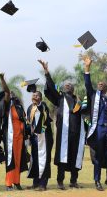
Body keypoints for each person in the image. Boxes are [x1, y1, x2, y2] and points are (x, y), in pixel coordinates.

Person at [39, 59, 86, 190]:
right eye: (66, 85)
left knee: (75, 156)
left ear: (73, 89)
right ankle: (60, 181)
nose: (67, 86)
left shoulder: (78, 101)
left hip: (76, 134)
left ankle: (73, 181)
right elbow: (52, 86)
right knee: (62, 157)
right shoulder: (60, 98)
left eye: (70, 85)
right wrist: (46, 72)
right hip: (64, 133)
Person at [83, 57, 107, 191]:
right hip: (98, 130)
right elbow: (87, 84)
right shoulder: (94, 96)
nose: (99, 84)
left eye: (102, 84)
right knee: (98, 156)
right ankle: (97, 180)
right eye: (98, 84)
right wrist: (87, 67)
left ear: (106, 88)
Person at [2, 83, 29, 191]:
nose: (12, 95)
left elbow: (24, 119)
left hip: (20, 137)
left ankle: (17, 182)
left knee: (18, 160)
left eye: (13, 94)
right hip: (10, 137)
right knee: (10, 160)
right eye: (10, 94)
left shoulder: (19, 107)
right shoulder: (6, 107)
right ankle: (8, 183)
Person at [26, 91, 54, 191]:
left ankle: (43, 184)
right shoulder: (30, 108)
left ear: (40, 98)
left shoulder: (43, 106)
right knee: (35, 160)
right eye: (33, 95)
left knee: (44, 160)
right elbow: (29, 122)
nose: (34, 97)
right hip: (34, 138)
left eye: (36, 95)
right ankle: (35, 182)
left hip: (45, 137)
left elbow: (44, 117)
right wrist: (30, 131)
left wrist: (37, 105)